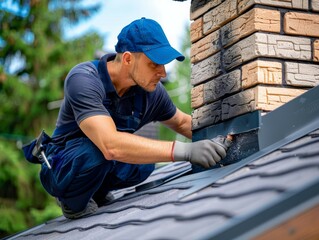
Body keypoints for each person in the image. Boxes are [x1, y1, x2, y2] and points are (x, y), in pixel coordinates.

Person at [24, 17, 231, 219]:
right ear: (128, 59)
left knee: (145, 163)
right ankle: (71, 200)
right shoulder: (84, 79)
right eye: (154, 64)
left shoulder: (151, 92)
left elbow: (182, 122)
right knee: (97, 152)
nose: (163, 73)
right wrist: (185, 151)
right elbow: (110, 144)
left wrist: (220, 137)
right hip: (63, 167)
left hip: (101, 162)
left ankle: (97, 190)